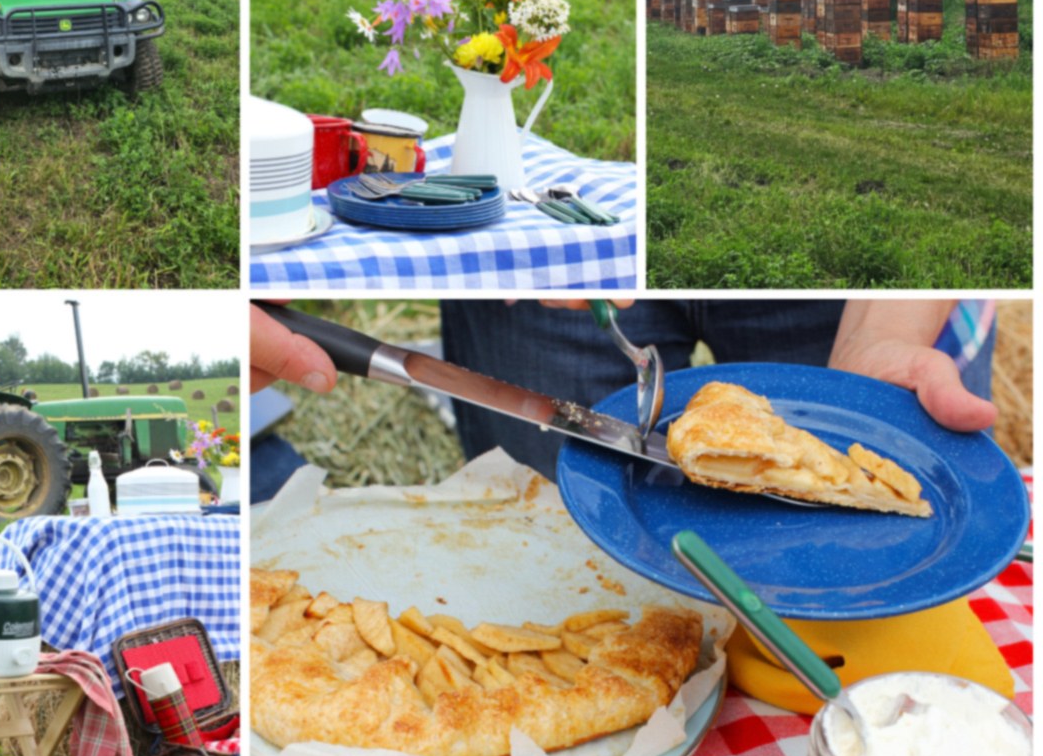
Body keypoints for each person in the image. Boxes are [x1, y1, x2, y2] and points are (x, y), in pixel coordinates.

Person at [251, 299, 998, 488]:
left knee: (846, 516)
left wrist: (878, 338)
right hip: (567, 258)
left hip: (857, 295)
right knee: (561, 540)